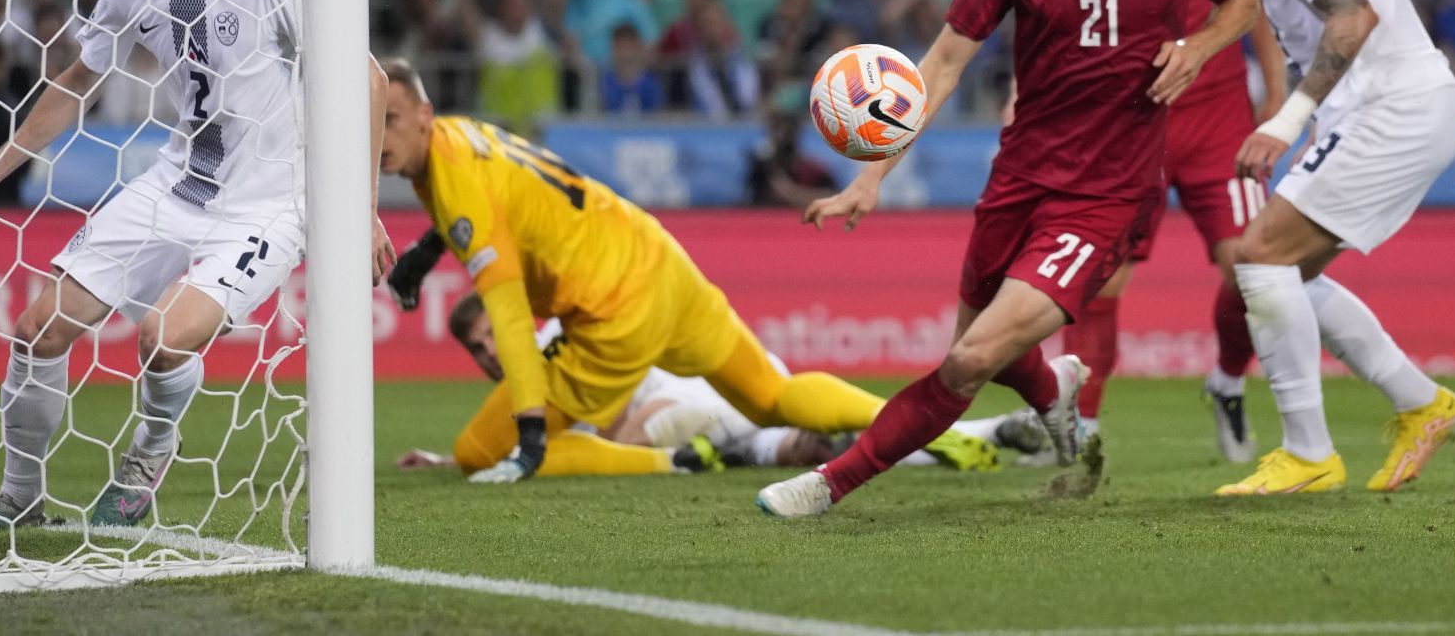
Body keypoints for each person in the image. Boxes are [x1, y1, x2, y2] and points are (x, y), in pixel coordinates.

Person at [756, 0, 1260, 518]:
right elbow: (941, 66)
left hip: (1106, 197)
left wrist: (1201, 45)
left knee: (967, 357)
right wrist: (870, 176)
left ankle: (829, 482)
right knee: (992, 347)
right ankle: (1052, 388)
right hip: (1018, 182)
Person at [0, 0, 394, 532]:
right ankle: (20, 496)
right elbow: (75, 84)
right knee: (36, 327)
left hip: (267, 204)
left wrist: (361, 213)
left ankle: (150, 453)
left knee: (162, 336)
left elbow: (367, 77)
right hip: (179, 183)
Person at [376, 57, 999, 481]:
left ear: (423, 116)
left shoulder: (449, 178)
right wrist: (425, 256)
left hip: (609, 313)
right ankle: (933, 430)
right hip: (660, 260)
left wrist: (530, 433)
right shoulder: (461, 135)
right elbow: (496, 204)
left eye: (390, 119)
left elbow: (508, 312)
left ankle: (670, 463)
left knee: (475, 451)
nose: (377, 134)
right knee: (771, 397)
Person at [1168, 0, 1455, 496]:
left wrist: (1282, 121)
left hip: (1391, 104)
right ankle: (1421, 403)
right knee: (1281, 273)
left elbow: (1353, 18)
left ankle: (1309, 451)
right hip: (1380, 106)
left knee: (1258, 256)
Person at [1055, 0, 1288, 460]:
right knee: (1102, 278)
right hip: (1131, 128)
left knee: (1258, 271)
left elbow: (1258, 5)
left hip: (1219, 119)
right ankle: (1082, 425)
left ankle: (1224, 380)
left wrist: (1274, 99)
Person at [393, 294, 1049, 472]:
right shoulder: (528, 372)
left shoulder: (547, 349)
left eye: (490, 337)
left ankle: (971, 433)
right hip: (729, 409)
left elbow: (598, 418)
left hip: (693, 406)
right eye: (477, 348)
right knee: (816, 448)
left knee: (652, 423)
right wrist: (451, 457)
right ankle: (986, 431)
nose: (489, 354)